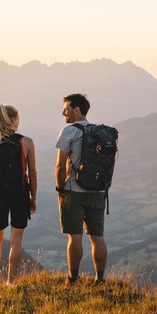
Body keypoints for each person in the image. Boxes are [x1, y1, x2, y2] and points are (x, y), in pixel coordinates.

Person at [0, 104, 37, 288]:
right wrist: (33, 198)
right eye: (17, 119)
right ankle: (10, 281)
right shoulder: (26, 142)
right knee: (16, 240)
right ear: (11, 120)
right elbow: (33, 173)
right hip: (20, 196)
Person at [55, 93, 107, 284]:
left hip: (74, 192)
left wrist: (60, 189)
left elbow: (60, 165)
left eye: (66, 109)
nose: (63, 113)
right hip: (98, 192)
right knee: (98, 237)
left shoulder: (69, 132)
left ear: (77, 110)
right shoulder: (99, 132)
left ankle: (73, 278)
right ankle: (100, 280)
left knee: (74, 237)